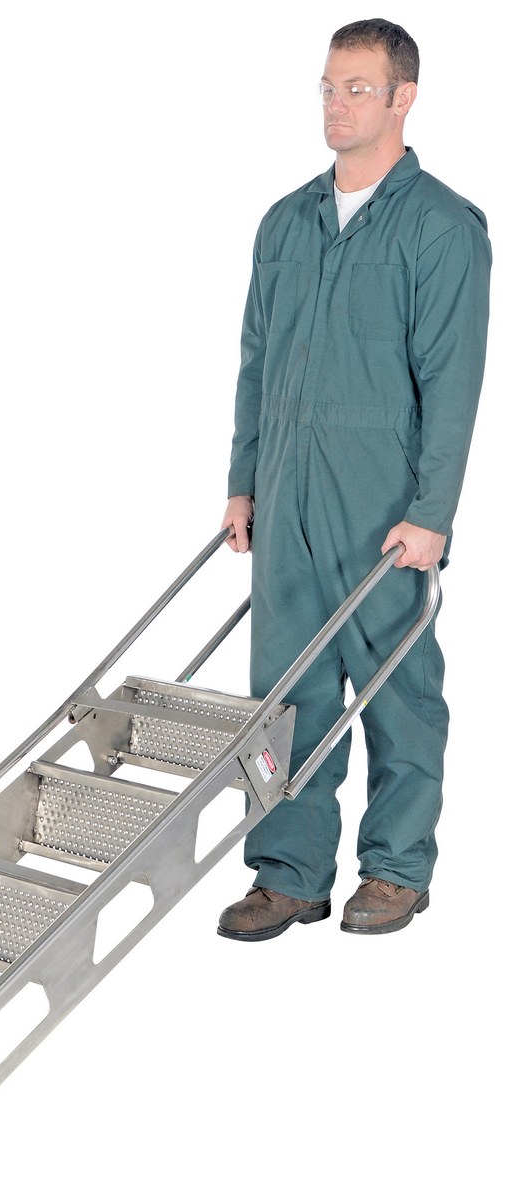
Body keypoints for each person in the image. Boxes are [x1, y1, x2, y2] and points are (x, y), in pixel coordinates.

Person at [217, 18, 490, 940]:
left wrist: (433, 511)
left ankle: (396, 869)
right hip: (286, 488)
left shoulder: (440, 226)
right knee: (282, 696)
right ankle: (288, 873)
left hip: (383, 500)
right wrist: (244, 481)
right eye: (329, 87)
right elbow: (256, 363)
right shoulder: (286, 220)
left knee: (396, 688)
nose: (337, 105)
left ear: (404, 97)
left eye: (359, 88)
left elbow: (453, 381)